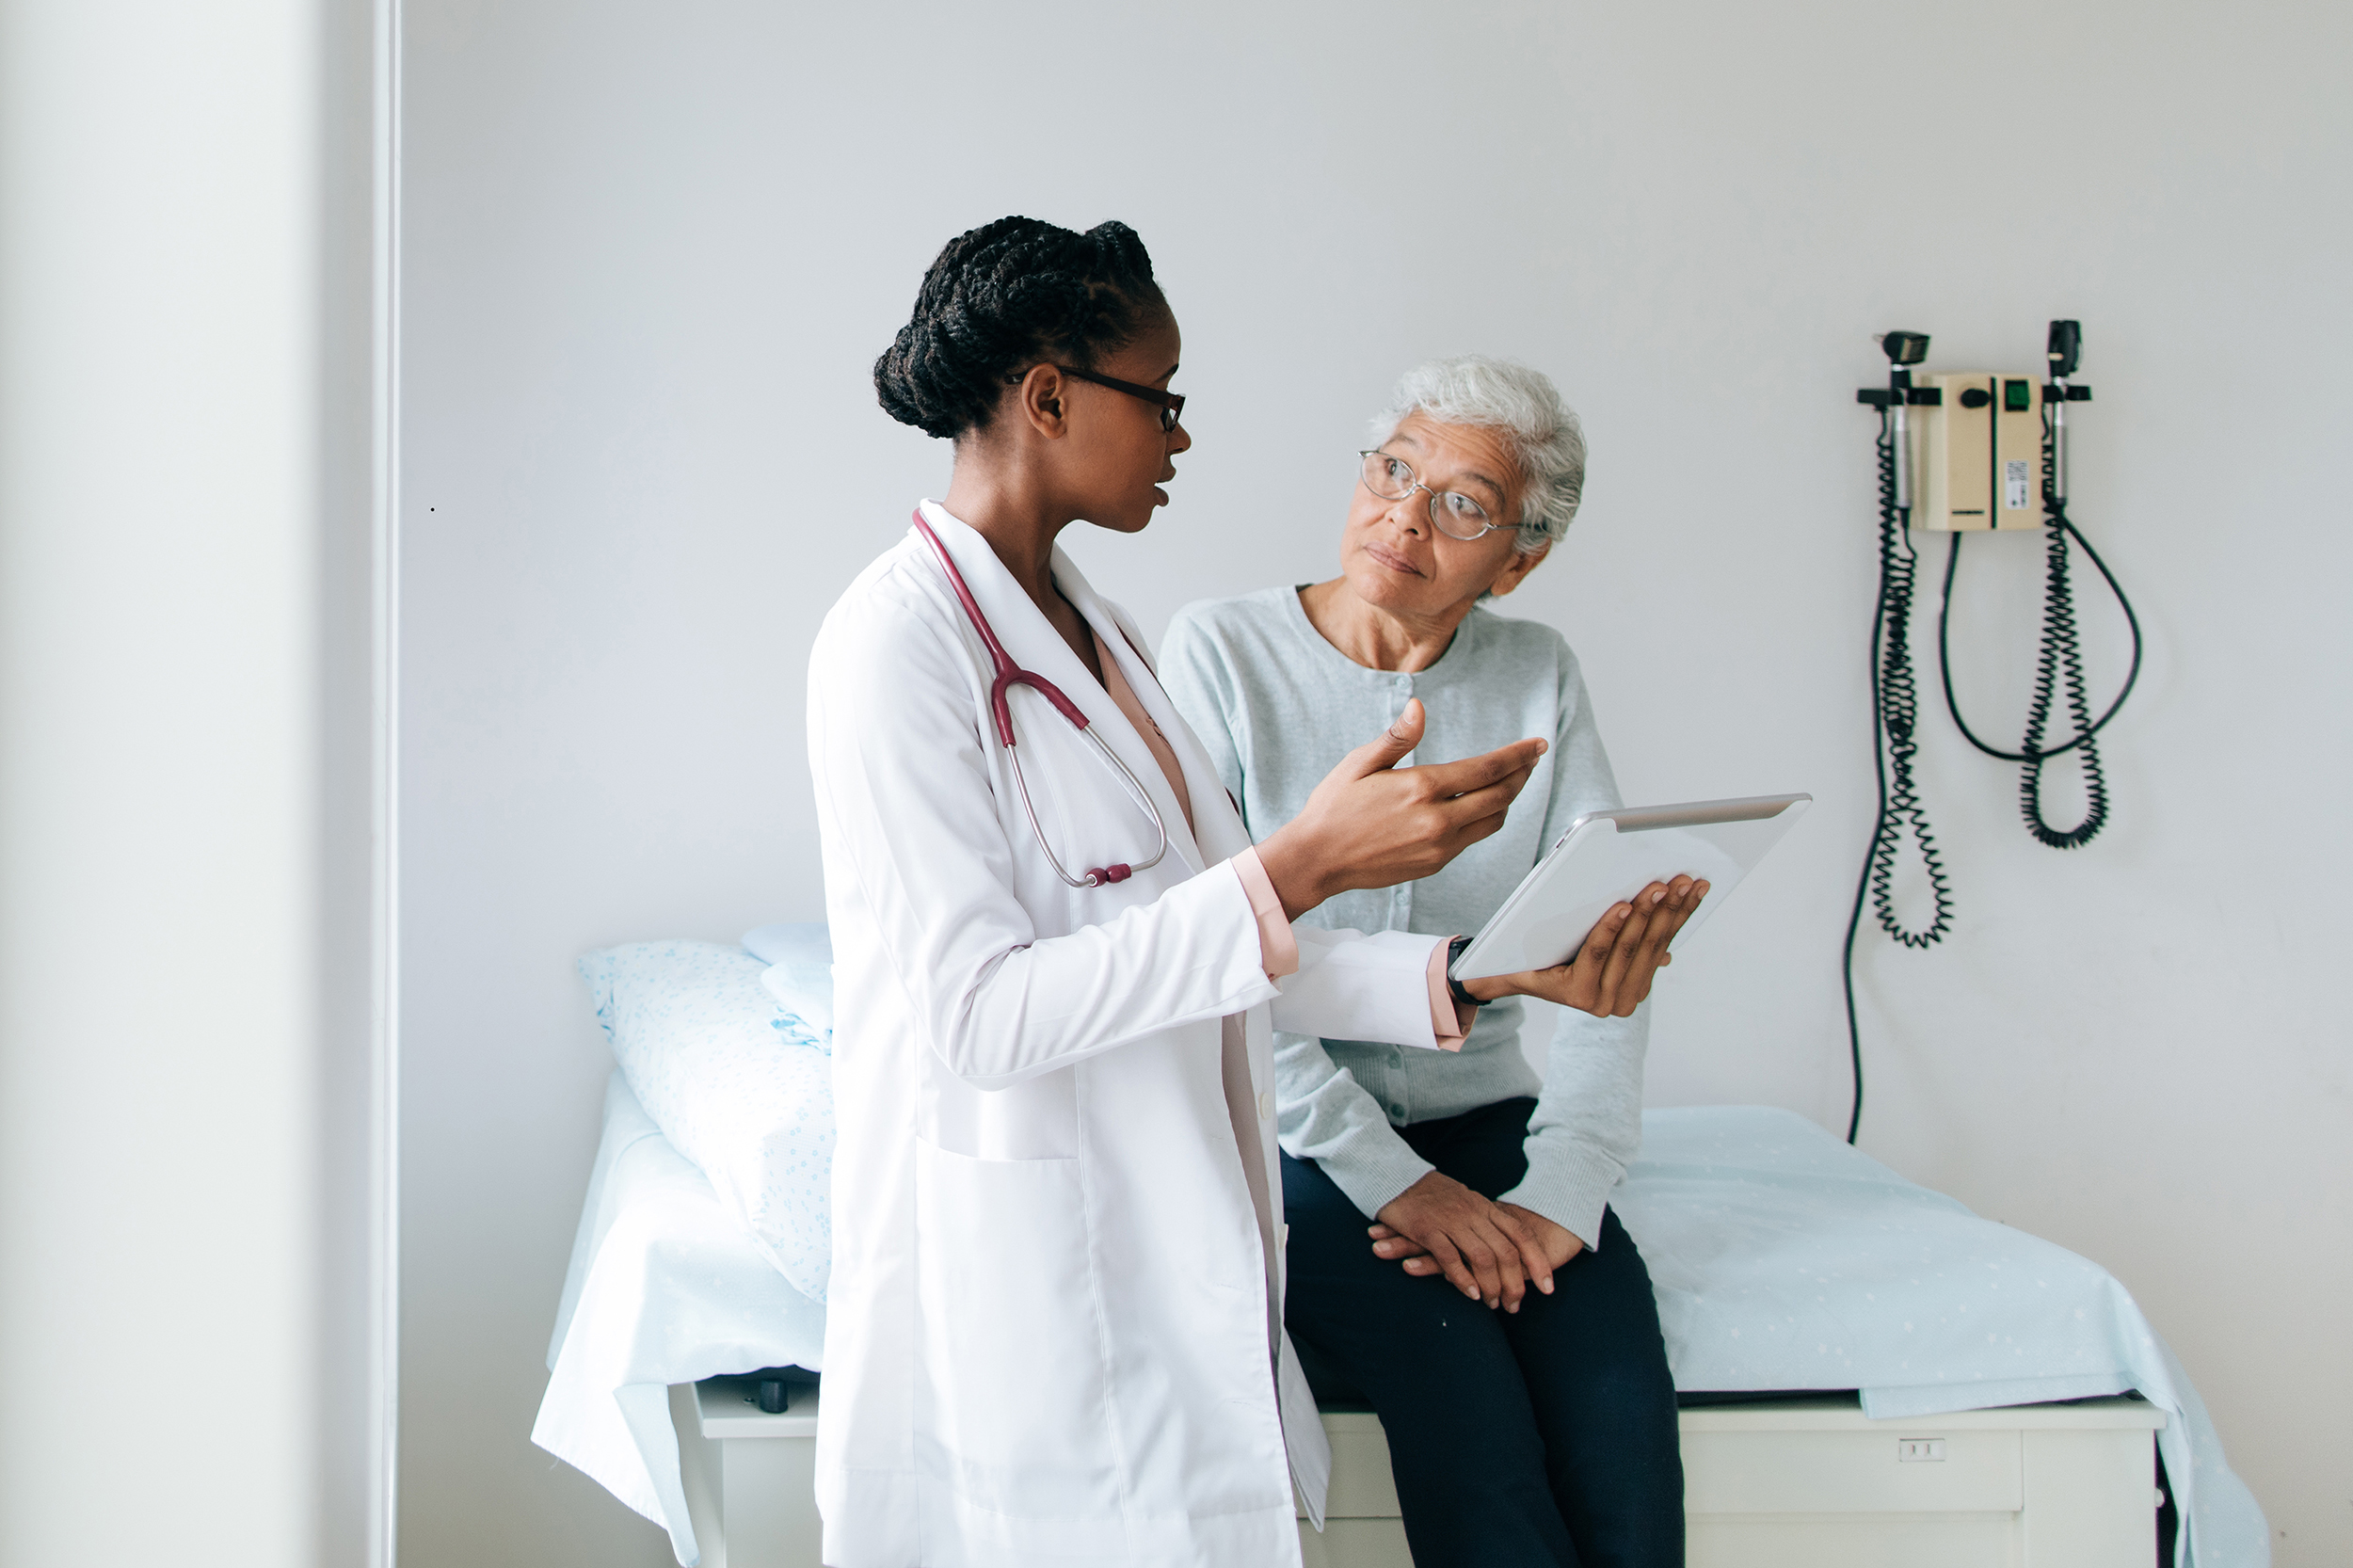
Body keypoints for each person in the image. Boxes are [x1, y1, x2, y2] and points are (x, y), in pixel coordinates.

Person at [806, 222, 1687, 1568]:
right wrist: (1304, 863)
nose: (1180, 437)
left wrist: (1476, 978)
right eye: (1159, 399)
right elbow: (979, 1015)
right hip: (1039, 1256)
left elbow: (1218, 942)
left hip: (1181, 1213)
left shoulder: (1105, 635)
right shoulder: (896, 643)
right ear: (1049, 397)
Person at [1161, 356, 1702, 1568]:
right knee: (1470, 1418)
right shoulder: (1220, 654)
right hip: (1293, 1141)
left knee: (1620, 1426)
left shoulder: (1537, 673)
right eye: (1394, 469)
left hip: (1486, 1120)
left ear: (1518, 559)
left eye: (1463, 501)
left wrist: (1563, 1193)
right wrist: (1391, 1183)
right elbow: (1215, 965)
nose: (1405, 513)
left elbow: (1610, 952)